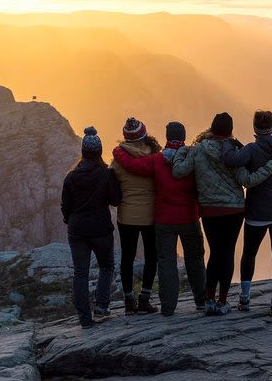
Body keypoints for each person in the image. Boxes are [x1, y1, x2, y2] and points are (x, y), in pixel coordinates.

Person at [172, 112, 272, 316]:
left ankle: (209, 300)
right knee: (228, 252)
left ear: (212, 128)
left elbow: (178, 172)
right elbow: (247, 180)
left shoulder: (198, 150)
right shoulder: (233, 152)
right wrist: (271, 165)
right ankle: (222, 302)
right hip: (234, 210)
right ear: (230, 130)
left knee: (215, 253)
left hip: (209, 210)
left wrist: (181, 151)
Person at [112, 122, 207, 316]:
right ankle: (201, 301)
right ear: (184, 135)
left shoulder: (156, 160)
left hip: (164, 220)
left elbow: (132, 165)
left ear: (166, 136)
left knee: (166, 262)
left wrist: (117, 150)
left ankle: (168, 307)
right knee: (195, 260)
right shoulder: (194, 157)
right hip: (189, 217)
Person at [223, 110, 272, 317]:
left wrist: (229, 143)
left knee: (249, 253)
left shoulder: (251, 149)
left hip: (257, 212)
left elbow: (231, 161)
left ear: (254, 128)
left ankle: (244, 298)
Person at [61, 127, 122, 329]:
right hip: (100, 229)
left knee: (81, 273)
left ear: (83, 152)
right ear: (99, 151)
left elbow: (65, 207)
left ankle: (84, 319)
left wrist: (69, 221)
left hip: (77, 230)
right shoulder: (106, 174)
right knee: (106, 267)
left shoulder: (71, 176)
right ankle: (102, 305)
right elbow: (116, 199)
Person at [110, 117, 160, 315]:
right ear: (144, 135)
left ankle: (129, 301)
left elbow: (113, 187)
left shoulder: (117, 161)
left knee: (127, 258)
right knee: (151, 256)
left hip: (127, 216)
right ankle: (145, 300)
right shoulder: (154, 157)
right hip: (149, 216)